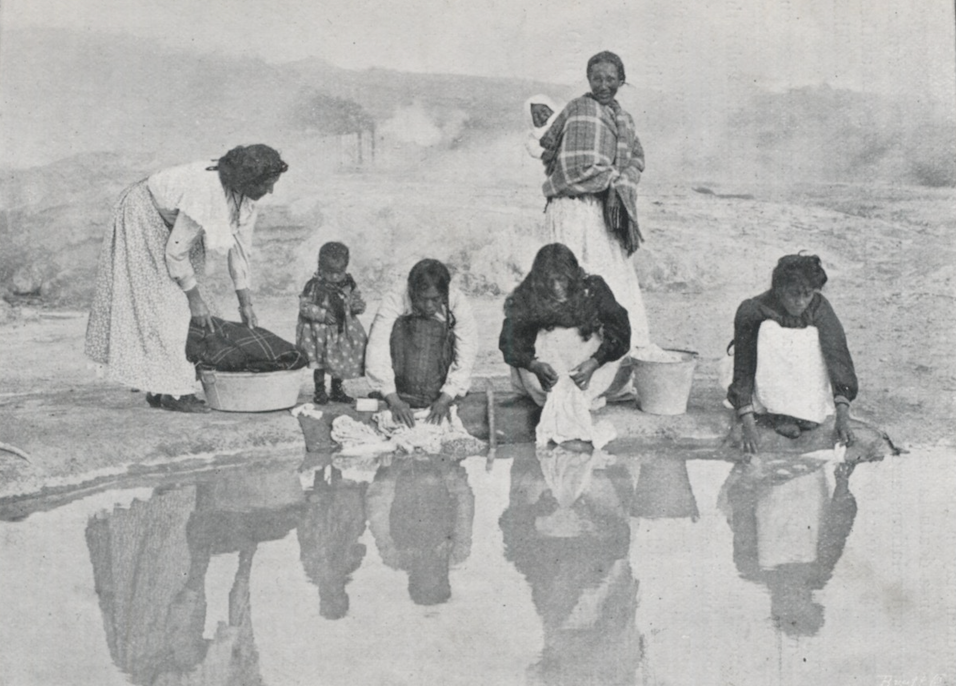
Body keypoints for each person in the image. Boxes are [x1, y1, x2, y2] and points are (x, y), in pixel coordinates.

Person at [84, 144, 288, 413]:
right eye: (267, 184)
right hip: (143, 212)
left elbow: (240, 252)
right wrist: (194, 300)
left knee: (182, 306)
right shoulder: (205, 194)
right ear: (247, 180)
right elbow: (176, 253)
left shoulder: (246, 198)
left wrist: (245, 304)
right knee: (172, 308)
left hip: (172, 222)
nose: (271, 191)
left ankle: (163, 388)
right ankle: (176, 394)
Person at [538, 50, 650, 351]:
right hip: (568, 206)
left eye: (610, 79)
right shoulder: (576, 108)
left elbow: (636, 158)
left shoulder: (625, 121)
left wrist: (617, 180)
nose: (603, 84)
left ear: (621, 81)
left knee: (607, 280)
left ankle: (611, 362)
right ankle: (563, 360)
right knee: (564, 283)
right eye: (597, 78)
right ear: (588, 79)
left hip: (602, 210)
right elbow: (546, 145)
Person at [727, 254, 858, 453]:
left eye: (807, 294)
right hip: (763, 386)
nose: (801, 302)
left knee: (813, 336)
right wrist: (748, 424)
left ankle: (802, 412)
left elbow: (838, 356)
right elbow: (743, 366)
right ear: (779, 290)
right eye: (794, 294)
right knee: (769, 330)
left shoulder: (818, 307)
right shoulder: (754, 309)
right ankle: (777, 414)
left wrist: (842, 417)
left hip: (804, 386)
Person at [499, 243, 631, 407]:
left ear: (572, 276)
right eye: (549, 281)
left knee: (612, 341)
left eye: (561, 279)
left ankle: (583, 393)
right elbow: (510, 341)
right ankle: (552, 395)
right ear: (540, 279)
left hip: (587, 364)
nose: (556, 287)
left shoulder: (593, 287)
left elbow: (621, 332)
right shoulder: (529, 292)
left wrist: (594, 363)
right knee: (524, 333)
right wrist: (533, 365)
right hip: (545, 369)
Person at [365, 259, 478, 428]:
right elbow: (377, 347)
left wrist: (446, 398)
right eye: (422, 299)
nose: (428, 306)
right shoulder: (394, 299)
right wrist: (393, 398)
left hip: (438, 387)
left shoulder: (457, 302)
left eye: (435, 299)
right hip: (400, 385)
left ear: (445, 295)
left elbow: (467, 351)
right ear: (412, 291)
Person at [296, 241, 368, 404]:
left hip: (341, 332)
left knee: (339, 360)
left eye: (339, 272)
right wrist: (322, 314)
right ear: (320, 268)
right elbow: (304, 306)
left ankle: (337, 390)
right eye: (330, 272)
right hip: (319, 334)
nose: (335, 277)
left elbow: (355, 297)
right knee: (320, 363)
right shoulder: (314, 286)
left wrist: (357, 306)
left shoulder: (348, 282)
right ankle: (320, 391)